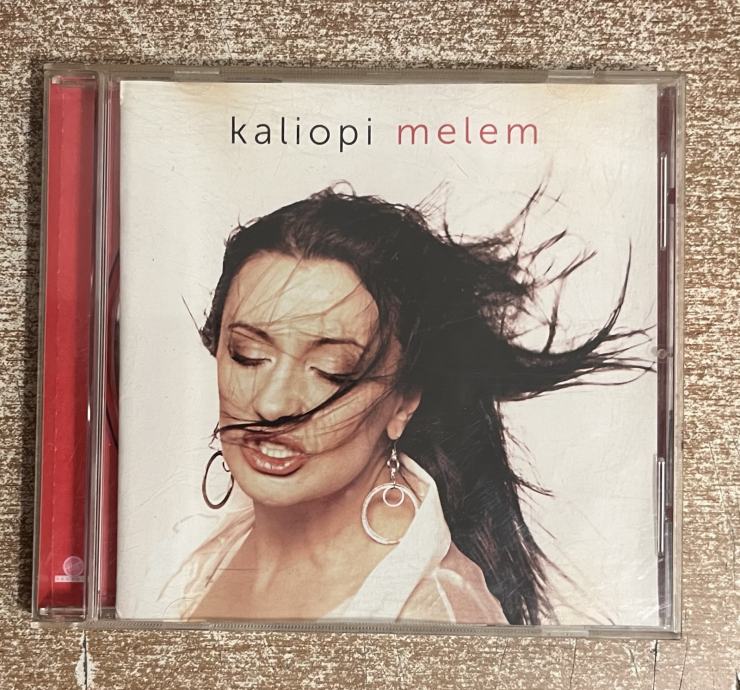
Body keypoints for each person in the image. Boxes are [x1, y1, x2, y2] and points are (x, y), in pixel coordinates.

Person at [166, 186, 647, 625]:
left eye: (332, 371)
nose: (272, 404)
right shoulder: (194, 553)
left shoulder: (432, 615)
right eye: (247, 355)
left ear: (404, 401)